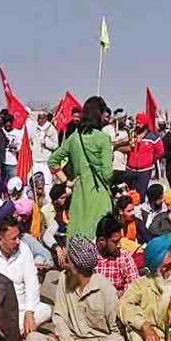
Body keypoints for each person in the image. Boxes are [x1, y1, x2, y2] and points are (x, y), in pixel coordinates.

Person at [26, 236, 136, 341]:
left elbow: (118, 333)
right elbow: (59, 318)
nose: (66, 262)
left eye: (69, 260)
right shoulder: (64, 279)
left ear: (77, 267)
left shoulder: (106, 288)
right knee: (32, 339)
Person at [48, 96, 114, 240]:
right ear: (99, 114)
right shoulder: (103, 138)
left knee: (79, 235)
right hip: (99, 194)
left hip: (79, 193)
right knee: (100, 236)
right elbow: (108, 174)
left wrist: (67, 181)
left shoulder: (74, 138)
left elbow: (53, 161)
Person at [0, 216, 51, 338]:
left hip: (21, 310)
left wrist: (29, 311)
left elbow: (32, 282)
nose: (18, 241)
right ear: (0, 239)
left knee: (45, 310)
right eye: (13, 239)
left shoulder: (23, 249)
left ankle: (11, 334)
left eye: (18, 237)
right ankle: (15, 333)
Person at [95, 214, 140, 297]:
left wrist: (121, 294)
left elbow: (135, 287)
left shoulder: (124, 257)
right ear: (101, 241)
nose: (120, 245)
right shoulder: (90, 257)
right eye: (115, 242)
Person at [125, 113, 164, 198]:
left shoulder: (153, 136)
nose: (137, 125)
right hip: (130, 169)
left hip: (144, 171)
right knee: (129, 194)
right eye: (137, 123)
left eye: (140, 123)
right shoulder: (132, 134)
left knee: (141, 195)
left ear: (145, 124)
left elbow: (160, 152)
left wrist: (150, 160)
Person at [30, 112, 58, 188]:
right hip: (35, 161)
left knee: (47, 183)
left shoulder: (51, 129)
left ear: (46, 119)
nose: (41, 120)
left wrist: (46, 142)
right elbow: (30, 141)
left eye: (43, 118)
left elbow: (56, 145)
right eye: (39, 118)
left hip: (46, 161)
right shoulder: (34, 129)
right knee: (35, 183)